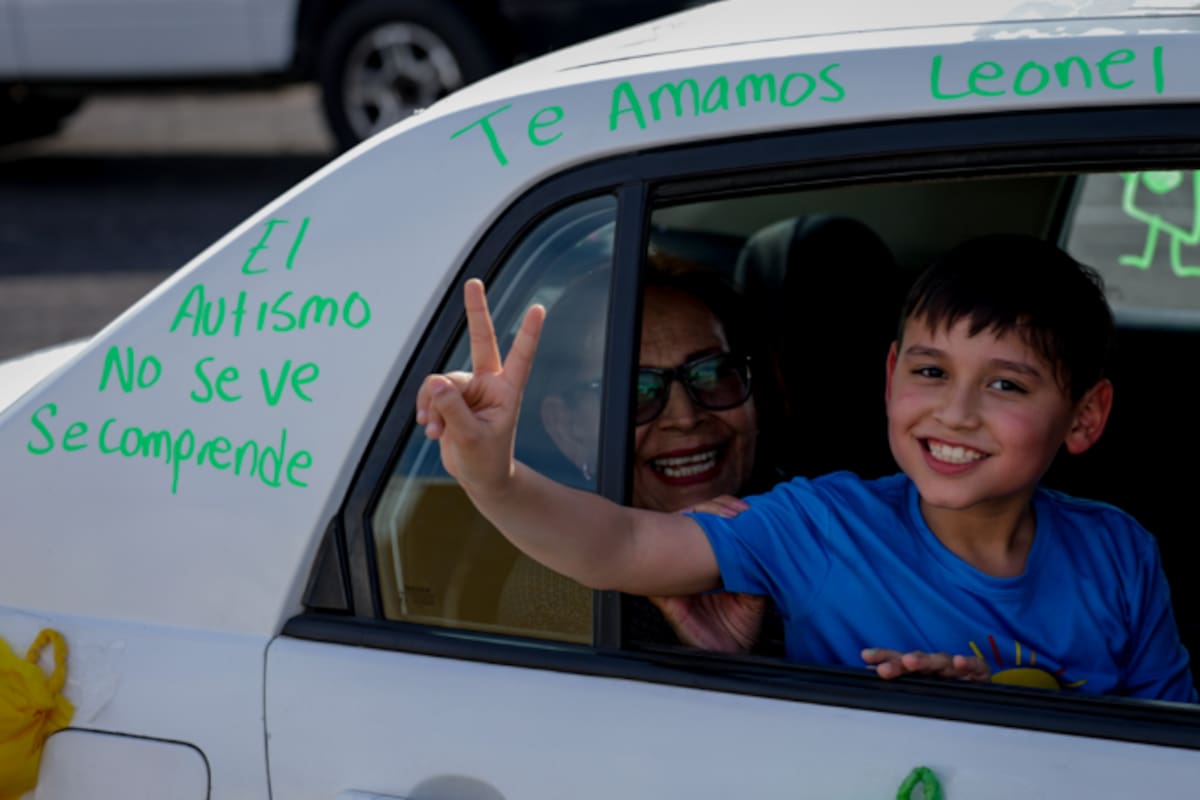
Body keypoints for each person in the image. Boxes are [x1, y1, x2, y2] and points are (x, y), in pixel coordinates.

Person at [416, 234, 1196, 701]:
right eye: (930, 373)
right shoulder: (818, 523)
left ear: (1086, 417)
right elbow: (618, 546)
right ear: (890, 376)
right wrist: (494, 476)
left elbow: (1168, 746)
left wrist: (1010, 714)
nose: (956, 413)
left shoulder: (1119, 555)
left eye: (1005, 385)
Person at [509, 263, 787, 654]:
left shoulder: (828, 528)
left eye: (711, 374)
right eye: (635, 391)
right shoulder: (562, 591)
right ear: (568, 429)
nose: (686, 418)